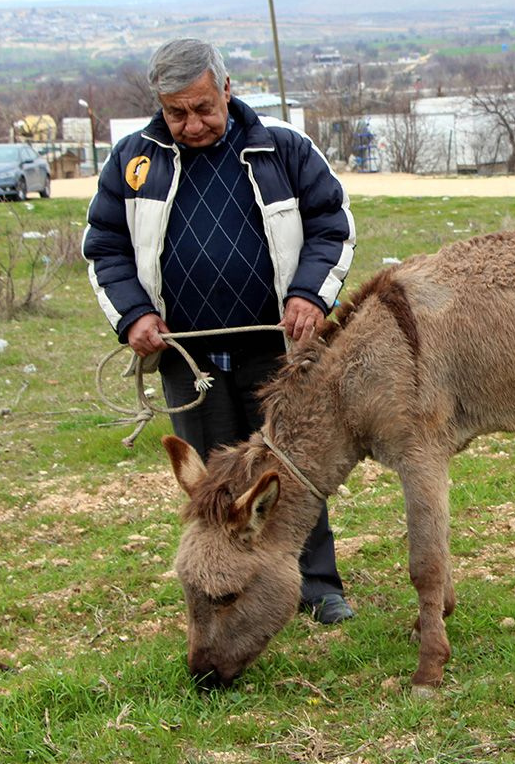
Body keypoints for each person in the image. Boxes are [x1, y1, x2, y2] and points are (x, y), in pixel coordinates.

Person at [82, 38, 357, 624]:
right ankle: (222, 589)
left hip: (277, 351)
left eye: (203, 107)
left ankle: (317, 585)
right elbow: (105, 246)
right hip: (189, 357)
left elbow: (332, 227)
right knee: (210, 481)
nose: (192, 123)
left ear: (227, 88)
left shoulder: (281, 149)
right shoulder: (134, 160)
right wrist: (134, 316)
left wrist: (310, 295)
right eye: (176, 112)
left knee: (288, 469)